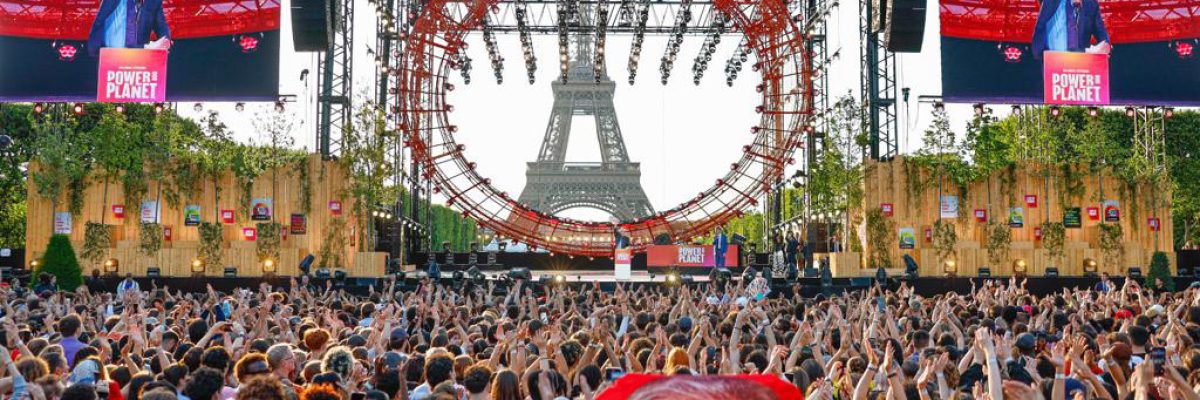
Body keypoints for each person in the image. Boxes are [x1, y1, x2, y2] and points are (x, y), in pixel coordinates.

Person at [86, 0, 173, 57]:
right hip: (110, 58)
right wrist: (148, 47)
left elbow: (161, 25)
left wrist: (165, 40)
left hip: (140, 60)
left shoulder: (153, 2)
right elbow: (117, 45)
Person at [1032, 0, 1111, 58]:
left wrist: (1105, 46)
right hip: (1050, 61)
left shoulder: (1091, 4)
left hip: (1080, 63)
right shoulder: (1051, 2)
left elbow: (1101, 32)